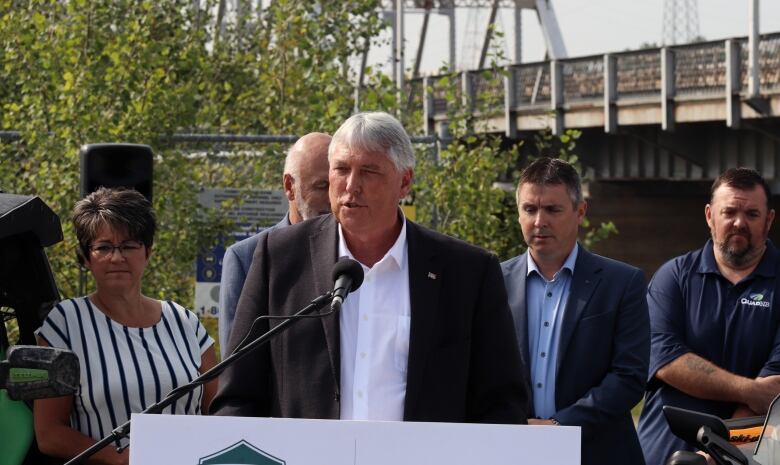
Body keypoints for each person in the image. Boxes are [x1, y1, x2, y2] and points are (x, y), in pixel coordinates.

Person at [211, 111, 529, 423]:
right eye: (341, 170)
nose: (351, 185)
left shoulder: (467, 273)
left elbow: (500, 404)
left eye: (369, 171)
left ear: (404, 183)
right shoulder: (279, 258)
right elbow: (238, 396)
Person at [34, 187, 218, 465]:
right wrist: (118, 458)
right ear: (86, 257)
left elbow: (217, 414)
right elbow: (49, 433)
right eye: (104, 247)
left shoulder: (185, 323)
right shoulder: (64, 325)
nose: (117, 257)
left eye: (129, 245)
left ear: (148, 251)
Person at [501, 157, 649, 465]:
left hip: (598, 452)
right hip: (514, 450)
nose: (539, 221)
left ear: (580, 212)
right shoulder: (492, 283)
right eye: (530, 209)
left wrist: (559, 427)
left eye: (552, 209)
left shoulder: (622, 283)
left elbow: (628, 377)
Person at [637, 167, 780, 465]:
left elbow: (772, 394)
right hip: (663, 456)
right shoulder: (673, 277)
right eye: (729, 212)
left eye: (752, 214)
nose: (739, 222)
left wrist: (720, 451)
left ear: (769, 221)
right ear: (709, 216)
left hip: (747, 456)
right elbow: (666, 362)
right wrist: (748, 389)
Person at [219, 132, 331, 357]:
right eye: (322, 186)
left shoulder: (354, 253)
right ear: (290, 186)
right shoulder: (247, 258)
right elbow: (236, 364)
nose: (332, 198)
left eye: (336, 185)